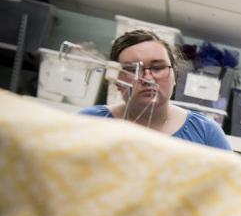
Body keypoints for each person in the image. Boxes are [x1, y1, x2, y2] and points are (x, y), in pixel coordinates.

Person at [79, 29, 231, 150]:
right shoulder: (89, 122)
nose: (148, 78)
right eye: (132, 70)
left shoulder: (206, 133)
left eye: (158, 67)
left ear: (175, 75)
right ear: (116, 79)